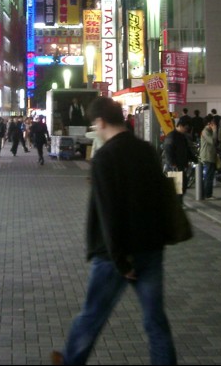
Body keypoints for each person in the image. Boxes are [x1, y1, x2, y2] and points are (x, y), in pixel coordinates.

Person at [51, 97, 177, 366]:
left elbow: (108, 213)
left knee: (92, 315)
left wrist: (120, 259)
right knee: (155, 321)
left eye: (94, 125)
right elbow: (160, 198)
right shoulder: (146, 150)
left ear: (101, 121)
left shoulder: (104, 158)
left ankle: (71, 361)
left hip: (114, 256)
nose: (95, 130)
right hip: (151, 249)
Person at [164, 120, 195, 185]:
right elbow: (168, 150)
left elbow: (187, 149)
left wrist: (194, 158)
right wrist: (172, 163)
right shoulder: (172, 136)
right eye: (185, 128)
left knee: (182, 185)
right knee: (177, 187)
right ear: (180, 126)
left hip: (180, 164)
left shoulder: (183, 136)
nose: (186, 130)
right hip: (174, 165)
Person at [199, 116, 218, 200]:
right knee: (208, 176)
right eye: (213, 122)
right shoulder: (206, 131)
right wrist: (215, 131)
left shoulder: (208, 131)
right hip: (207, 156)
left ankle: (206, 194)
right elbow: (212, 141)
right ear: (209, 123)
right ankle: (207, 195)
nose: (214, 124)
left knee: (209, 175)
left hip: (210, 155)